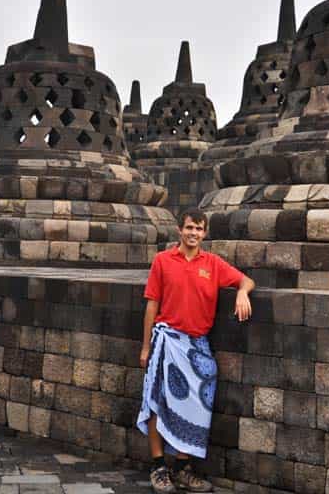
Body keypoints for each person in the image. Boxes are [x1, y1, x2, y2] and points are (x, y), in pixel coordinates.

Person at [137, 208, 255, 493]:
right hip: (167, 340)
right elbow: (151, 305)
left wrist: (241, 292)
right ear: (180, 230)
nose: (193, 233)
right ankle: (158, 467)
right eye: (189, 228)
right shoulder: (163, 261)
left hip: (198, 345)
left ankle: (181, 468)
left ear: (205, 233)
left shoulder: (212, 264)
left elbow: (246, 280)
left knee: (195, 405)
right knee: (157, 401)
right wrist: (145, 347)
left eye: (199, 229)